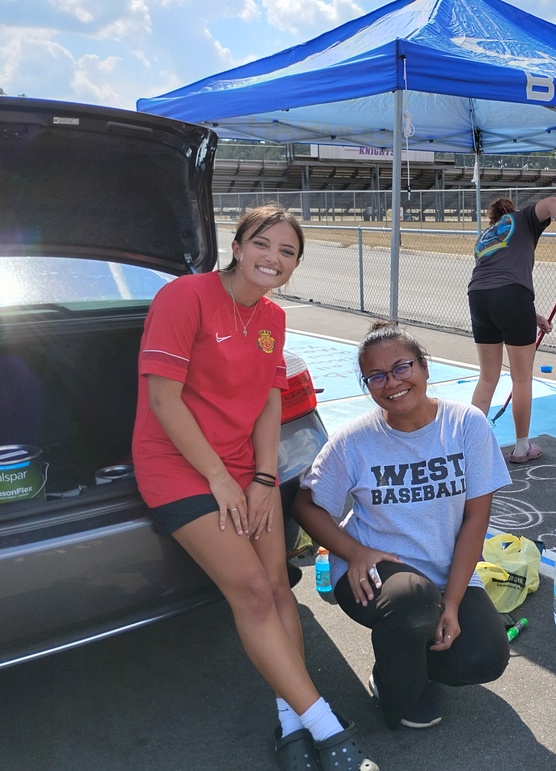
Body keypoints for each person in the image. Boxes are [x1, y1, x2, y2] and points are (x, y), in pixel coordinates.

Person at [131, 204, 377, 771]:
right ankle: (327, 727)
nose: (274, 258)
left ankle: (291, 721)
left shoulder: (272, 317)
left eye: (288, 252)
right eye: (263, 244)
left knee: (277, 587)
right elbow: (164, 401)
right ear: (237, 246)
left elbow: (269, 399)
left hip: (245, 467)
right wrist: (220, 480)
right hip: (178, 466)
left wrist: (264, 479)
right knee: (252, 593)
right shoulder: (184, 297)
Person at [292, 320, 512, 731]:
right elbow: (305, 505)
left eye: (401, 368)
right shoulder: (354, 440)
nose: (390, 382)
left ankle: (409, 654)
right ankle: (391, 684)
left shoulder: (466, 425)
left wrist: (452, 603)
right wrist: (353, 552)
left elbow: (476, 518)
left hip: (444, 575)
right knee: (412, 604)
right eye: (375, 376)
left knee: (484, 656)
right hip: (376, 571)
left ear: (424, 369)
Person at [468, 195, 556, 463]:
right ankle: (522, 448)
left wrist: (530, 315)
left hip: (478, 297)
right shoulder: (523, 219)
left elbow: (496, 280)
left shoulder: (486, 236)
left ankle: (467, 446)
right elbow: (554, 202)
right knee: (521, 379)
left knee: (487, 378)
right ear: (512, 210)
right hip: (511, 296)